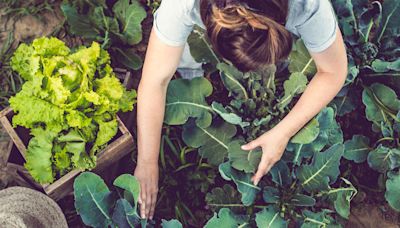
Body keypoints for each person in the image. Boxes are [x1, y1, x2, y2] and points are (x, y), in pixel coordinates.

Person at [133, 0, 348, 220]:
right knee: (184, 54)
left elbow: (334, 72)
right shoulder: (182, 5)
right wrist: (147, 162)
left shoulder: (307, 4)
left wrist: (282, 132)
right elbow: (154, 82)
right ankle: (192, 71)